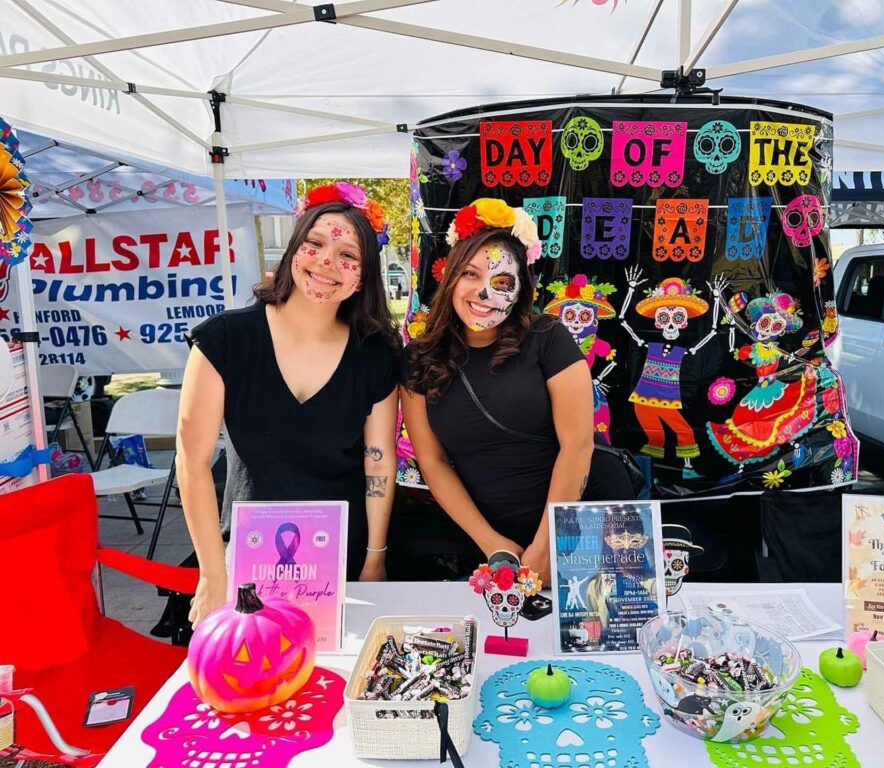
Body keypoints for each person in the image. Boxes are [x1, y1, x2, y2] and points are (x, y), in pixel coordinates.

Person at [178, 181, 401, 627]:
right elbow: (192, 461)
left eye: (347, 255)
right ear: (293, 249)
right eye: (314, 244)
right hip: (245, 558)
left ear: (363, 276)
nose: (326, 261)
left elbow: (378, 461)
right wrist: (211, 571)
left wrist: (375, 558)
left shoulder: (375, 354)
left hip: (339, 558)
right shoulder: (225, 340)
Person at [401, 198, 593, 583]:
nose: (483, 293)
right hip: (483, 545)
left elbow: (578, 444)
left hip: (573, 535)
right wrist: (492, 544)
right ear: (451, 277)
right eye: (471, 274)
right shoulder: (418, 359)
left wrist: (545, 546)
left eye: (502, 282)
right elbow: (432, 461)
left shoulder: (549, 338)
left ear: (520, 290)